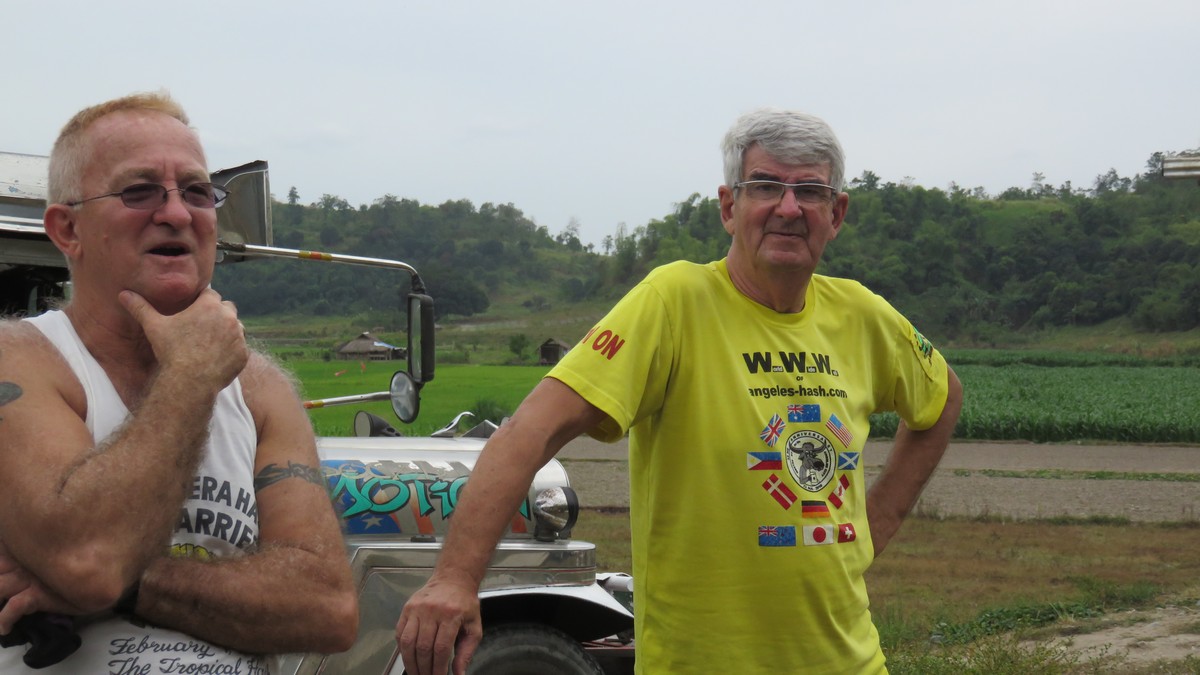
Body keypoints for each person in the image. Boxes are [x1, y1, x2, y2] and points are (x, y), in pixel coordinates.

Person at [396, 108, 963, 674]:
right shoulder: (673, 303)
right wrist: (455, 578)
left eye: (810, 191)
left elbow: (942, 400)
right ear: (729, 207)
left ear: (835, 214)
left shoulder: (862, 315)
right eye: (765, 186)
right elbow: (531, 432)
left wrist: (875, 526)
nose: (789, 208)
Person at [0, 92, 359, 673]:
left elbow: (328, 609)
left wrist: (128, 586)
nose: (176, 213)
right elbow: (90, 558)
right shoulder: (20, 359)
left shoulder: (261, 389)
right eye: (139, 191)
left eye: (196, 191)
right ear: (68, 230)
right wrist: (190, 375)